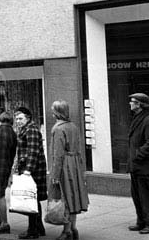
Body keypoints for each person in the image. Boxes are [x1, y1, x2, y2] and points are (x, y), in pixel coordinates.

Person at [50, 100, 89, 240]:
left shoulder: (58, 128)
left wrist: (55, 174)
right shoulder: (73, 126)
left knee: (64, 198)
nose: (51, 113)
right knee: (73, 197)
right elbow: (79, 149)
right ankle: (73, 228)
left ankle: (67, 231)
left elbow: (58, 154)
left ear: (57, 112)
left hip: (65, 166)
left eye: (53, 110)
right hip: (75, 165)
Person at [14, 107, 47, 240]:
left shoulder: (31, 129)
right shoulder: (26, 129)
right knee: (34, 199)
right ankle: (39, 228)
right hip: (31, 169)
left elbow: (33, 151)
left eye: (20, 118)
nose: (18, 121)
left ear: (28, 118)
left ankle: (32, 231)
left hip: (33, 170)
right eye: (16, 119)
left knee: (31, 200)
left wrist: (28, 170)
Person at [127, 93, 149, 234]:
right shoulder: (138, 117)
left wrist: (138, 155)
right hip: (136, 166)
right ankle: (142, 221)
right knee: (138, 196)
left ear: (140, 104)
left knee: (148, 197)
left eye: (132, 102)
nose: (130, 104)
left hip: (144, 166)